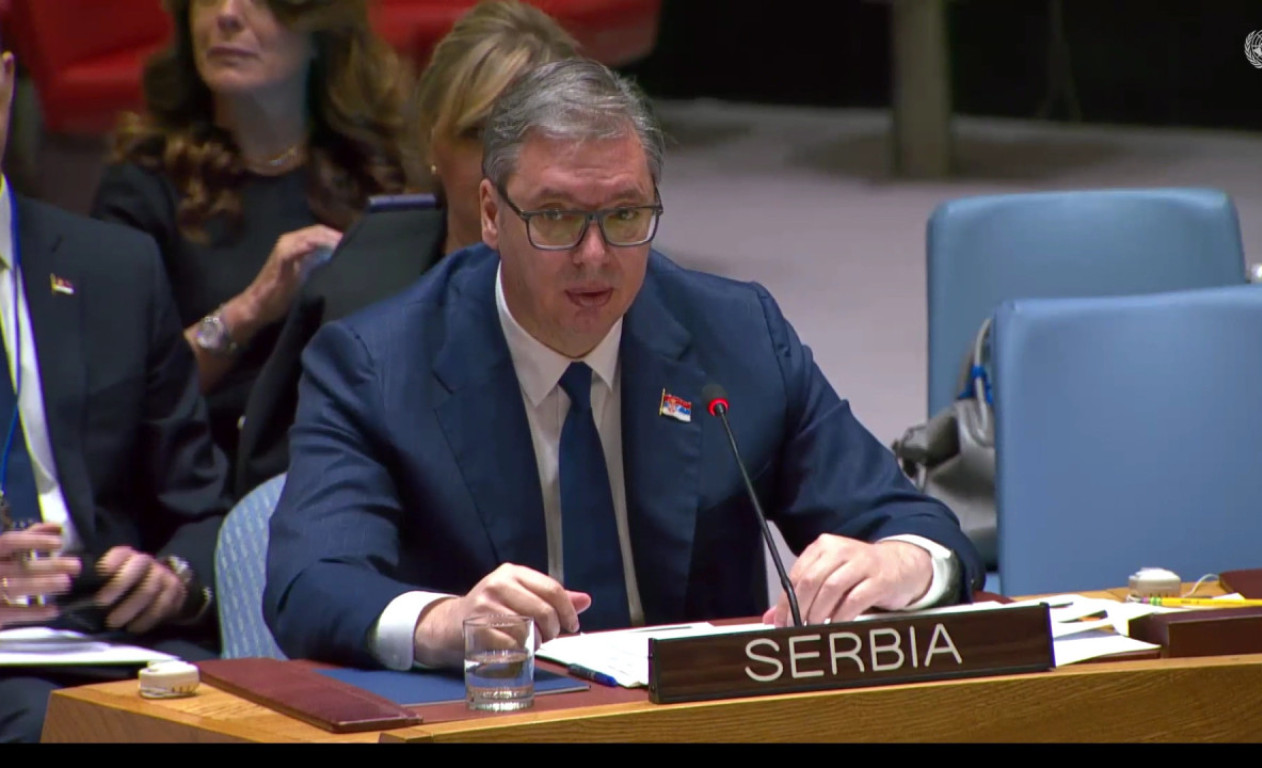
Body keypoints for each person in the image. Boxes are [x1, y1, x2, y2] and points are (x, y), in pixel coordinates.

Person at [263, 59, 984, 671]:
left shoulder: (736, 337)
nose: (595, 255)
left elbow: (919, 526)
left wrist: (901, 563)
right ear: (490, 214)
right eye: (555, 216)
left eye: (625, 215)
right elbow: (310, 583)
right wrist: (445, 622)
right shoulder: (377, 366)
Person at [233, 0, 580, 497]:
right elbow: (279, 487)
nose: (509, 165)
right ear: (432, 140)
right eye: (479, 134)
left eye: (536, 136)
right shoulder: (356, 293)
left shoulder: (620, 290)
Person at [0, 46, 230, 742]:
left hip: (116, 640)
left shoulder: (115, 270)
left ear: (5, 84)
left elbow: (200, 505)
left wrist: (175, 575)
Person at [89, 0, 407, 472]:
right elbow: (117, 398)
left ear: (319, 28)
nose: (227, 15)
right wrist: (249, 310)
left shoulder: (378, 170)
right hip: (213, 473)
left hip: (360, 461)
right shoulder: (142, 187)